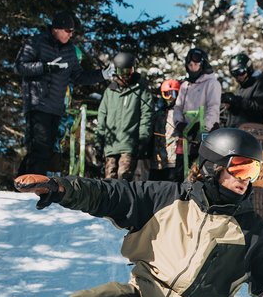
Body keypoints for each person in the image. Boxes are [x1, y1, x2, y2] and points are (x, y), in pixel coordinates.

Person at [13, 128, 263, 297]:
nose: (246, 180)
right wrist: (60, 187)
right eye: (240, 168)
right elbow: (108, 194)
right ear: (213, 166)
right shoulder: (166, 199)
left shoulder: (250, 230)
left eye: (253, 171)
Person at [15, 11, 113, 176]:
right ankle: (31, 189)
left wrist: (102, 75)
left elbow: (78, 76)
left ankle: (24, 182)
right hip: (37, 103)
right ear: (56, 29)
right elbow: (19, 66)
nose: (71, 34)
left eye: (73, 31)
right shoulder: (37, 42)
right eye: (68, 31)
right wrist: (45, 67)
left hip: (56, 107)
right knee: (38, 147)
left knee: (46, 150)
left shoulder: (69, 51)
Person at [94, 51, 152, 181]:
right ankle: (110, 202)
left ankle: (123, 201)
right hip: (110, 146)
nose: (125, 77)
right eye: (122, 72)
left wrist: (143, 139)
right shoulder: (110, 91)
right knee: (109, 180)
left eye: (129, 72)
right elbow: (102, 117)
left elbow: (146, 116)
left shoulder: (140, 90)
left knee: (123, 178)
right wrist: (99, 142)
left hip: (128, 144)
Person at [171, 47, 222, 180]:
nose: (193, 67)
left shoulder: (212, 84)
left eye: (196, 64)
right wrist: (179, 123)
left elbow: (213, 108)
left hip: (202, 134)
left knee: (199, 171)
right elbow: (178, 107)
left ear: (203, 64)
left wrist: (202, 126)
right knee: (181, 170)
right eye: (190, 65)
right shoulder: (185, 85)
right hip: (185, 133)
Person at [222, 54, 263, 129]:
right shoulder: (242, 87)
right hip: (234, 132)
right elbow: (239, 112)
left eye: (240, 71)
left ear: (248, 68)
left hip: (250, 132)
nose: (238, 76)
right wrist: (229, 105)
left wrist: (235, 100)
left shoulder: (259, 80)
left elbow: (259, 108)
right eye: (234, 73)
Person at [150, 79, 181, 181]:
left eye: (174, 94)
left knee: (172, 180)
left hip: (173, 156)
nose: (170, 98)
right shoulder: (158, 112)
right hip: (158, 156)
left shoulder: (180, 112)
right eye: (167, 94)